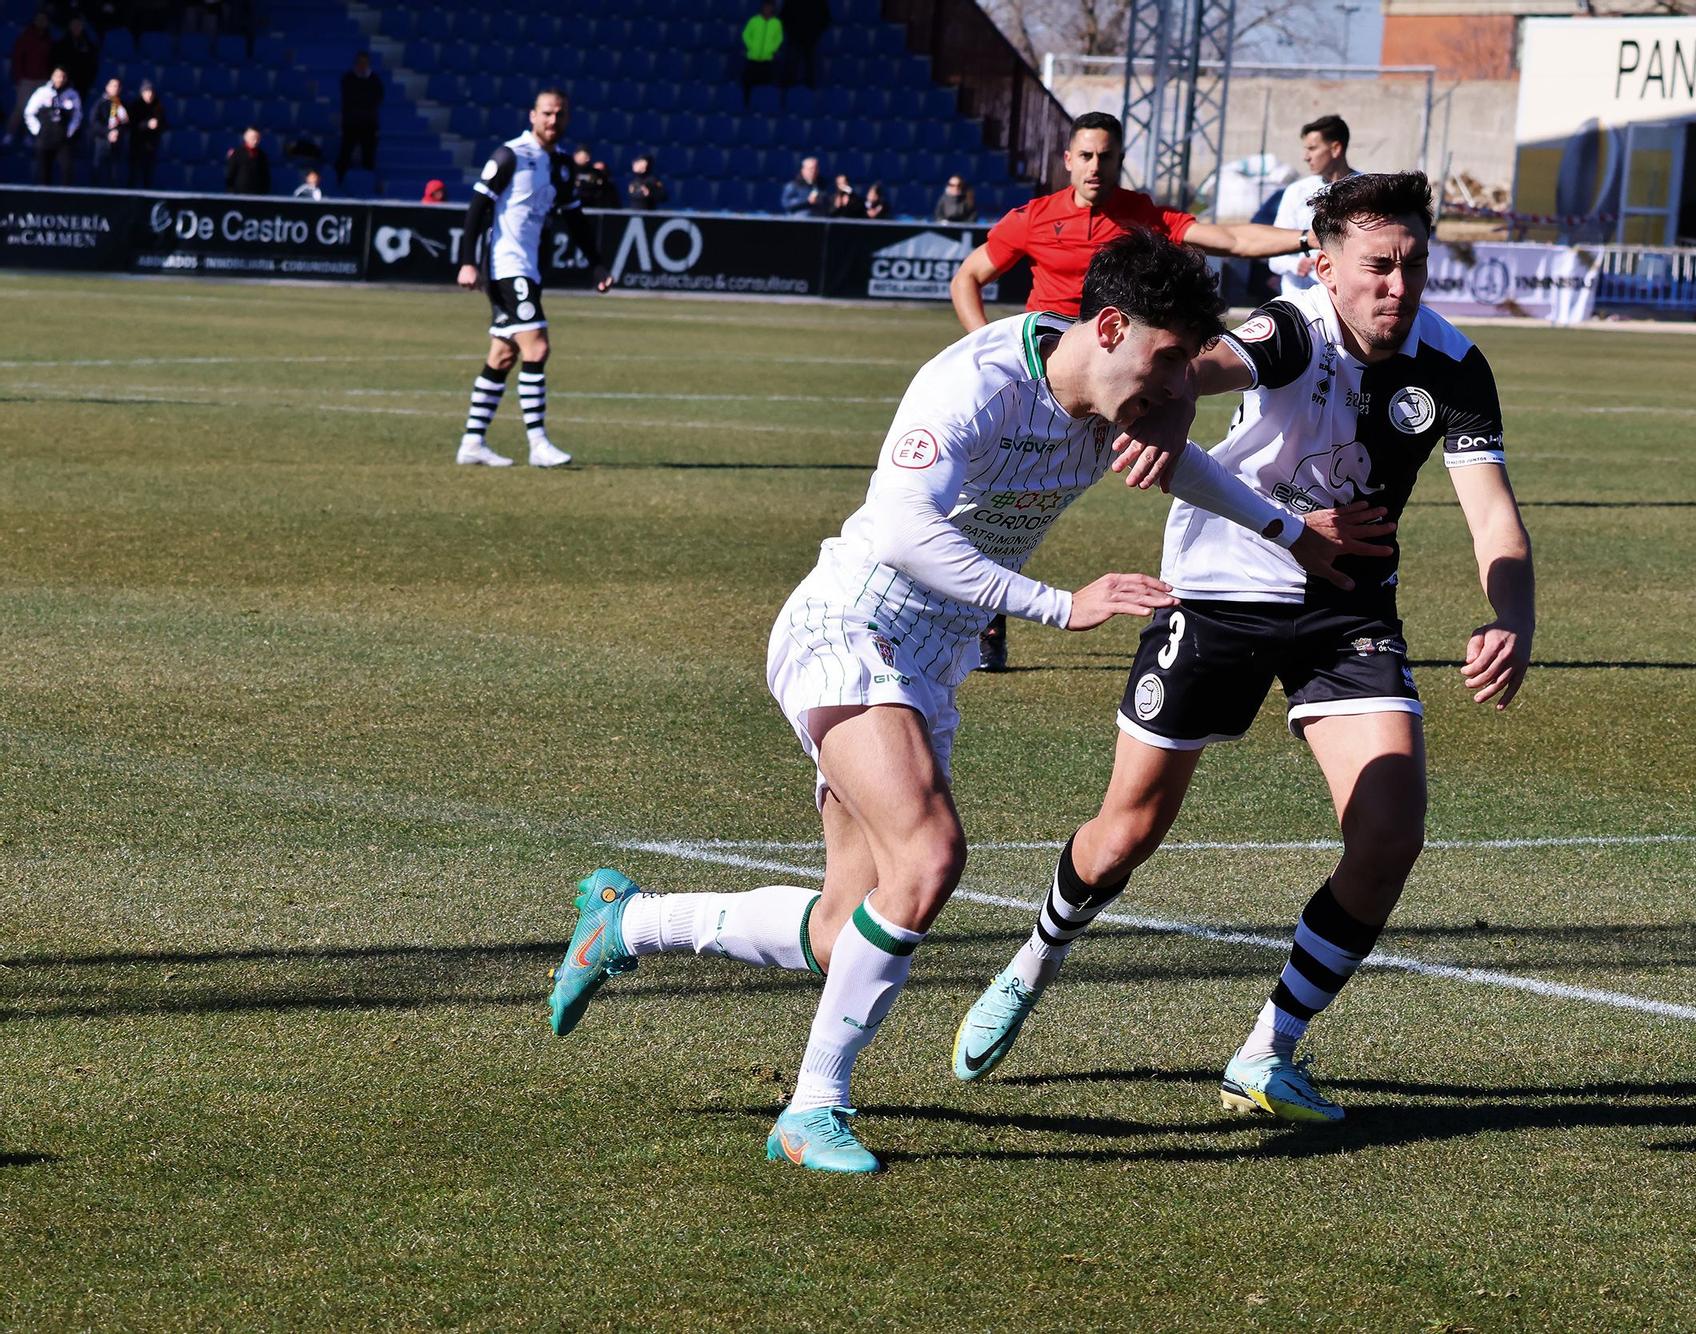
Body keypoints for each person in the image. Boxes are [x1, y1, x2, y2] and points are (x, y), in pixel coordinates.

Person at [541, 229, 1382, 1174]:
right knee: (932, 855)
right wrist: (1060, 605)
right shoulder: (978, 381)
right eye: (1168, 361)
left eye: (1190, 362)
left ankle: (628, 921)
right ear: (1108, 327)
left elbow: (1178, 462)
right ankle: (811, 1110)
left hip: (930, 660)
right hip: (851, 625)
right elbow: (902, 529)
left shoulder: (1122, 391)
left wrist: (1288, 534)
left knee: (844, 925)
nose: (1180, 387)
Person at [949, 172, 1535, 1126]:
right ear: (1325, 267)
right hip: (1222, 591)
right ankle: (1034, 959)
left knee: (1390, 832)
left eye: (1414, 265)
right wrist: (1170, 404)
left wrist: (1513, 616)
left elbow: (1494, 519)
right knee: (1124, 836)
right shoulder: (1291, 327)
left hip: (1347, 609)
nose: (1399, 285)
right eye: (1378, 266)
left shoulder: (1454, 366)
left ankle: (1269, 1051)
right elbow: (1203, 365)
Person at [949, 110, 1322, 673]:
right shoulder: (1033, 219)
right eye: (1087, 155)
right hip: (1050, 384)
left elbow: (1231, 239)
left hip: (1124, 379)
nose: (1097, 166)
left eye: (1108, 156)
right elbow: (967, 277)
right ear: (1069, 159)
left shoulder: (1142, 216)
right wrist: (990, 354)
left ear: (1120, 162)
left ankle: (1235, 588)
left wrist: (1307, 237)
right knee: (997, 502)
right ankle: (986, 623)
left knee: (1179, 465)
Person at [455, 88, 613, 469]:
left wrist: (596, 264)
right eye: (546, 114)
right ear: (532, 115)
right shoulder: (510, 155)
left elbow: (573, 216)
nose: (552, 121)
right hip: (507, 265)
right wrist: (467, 261)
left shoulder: (560, 163)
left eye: (559, 114)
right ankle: (538, 443)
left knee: (504, 353)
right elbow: (478, 208)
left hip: (528, 268)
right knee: (537, 348)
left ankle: (472, 443)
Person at [1269, 114, 1362, 296]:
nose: (1306, 157)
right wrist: (1296, 264)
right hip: (1299, 303)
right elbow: (1274, 253)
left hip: (1347, 299)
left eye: (1312, 148)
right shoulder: (1296, 191)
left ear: (1335, 149)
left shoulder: (1365, 188)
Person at [24, 67, 82, 186]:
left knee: (67, 170)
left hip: (62, 137)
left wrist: (70, 131)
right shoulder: (42, 92)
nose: (60, 79)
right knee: (44, 172)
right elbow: (29, 112)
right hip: (45, 136)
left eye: (62, 76)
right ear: (52, 76)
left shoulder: (72, 94)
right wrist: (37, 130)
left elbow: (78, 115)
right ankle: (43, 201)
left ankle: (66, 201)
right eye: (57, 76)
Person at [7, 11, 54, 147]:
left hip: (43, 81)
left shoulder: (49, 40)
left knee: (38, 110)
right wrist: (19, 78)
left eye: (44, 19)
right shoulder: (25, 37)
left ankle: (30, 136)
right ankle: (10, 134)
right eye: (39, 19)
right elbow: (17, 59)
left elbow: (51, 61)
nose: (41, 22)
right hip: (26, 79)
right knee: (21, 108)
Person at [336, 51, 382, 184]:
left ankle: (368, 183)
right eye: (360, 62)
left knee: (368, 155)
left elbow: (377, 99)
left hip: (369, 125)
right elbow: (348, 99)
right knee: (345, 153)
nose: (362, 65)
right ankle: (340, 181)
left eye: (365, 62)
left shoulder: (375, 80)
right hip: (351, 124)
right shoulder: (348, 79)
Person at [88, 74, 129, 185]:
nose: (115, 88)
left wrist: (117, 132)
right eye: (112, 86)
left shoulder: (121, 105)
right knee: (98, 170)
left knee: (114, 173)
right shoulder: (100, 103)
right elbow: (94, 123)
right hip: (101, 142)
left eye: (117, 86)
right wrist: (108, 132)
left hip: (117, 143)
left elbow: (126, 123)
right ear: (107, 87)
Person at [739, 0, 781, 108]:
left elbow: (779, 38)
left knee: (765, 84)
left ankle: (762, 105)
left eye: (769, 7)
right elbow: (746, 34)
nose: (767, 9)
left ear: (773, 8)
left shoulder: (776, 23)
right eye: (766, 7)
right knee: (748, 83)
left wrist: (771, 49)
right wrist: (751, 46)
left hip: (767, 59)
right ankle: (746, 105)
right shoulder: (754, 21)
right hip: (752, 58)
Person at [50, 17, 97, 111]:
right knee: (58, 109)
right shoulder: (61, 43)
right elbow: (55, 63)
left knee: (76, 110)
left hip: (81, 85)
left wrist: (87, 81)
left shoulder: (88, 45)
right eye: (74, 25)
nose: (76, 27)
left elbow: (92, 66)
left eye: (78, 25)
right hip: (62, 83)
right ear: (70, 26)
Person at [127, 77, 166, 187]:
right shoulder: (135, 106)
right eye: (147, 91)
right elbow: (131, 125)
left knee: (148, 176)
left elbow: (164, 124)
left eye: (151, 91)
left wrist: (157, 125)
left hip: (151, 146)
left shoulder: (158, 106)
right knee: (133, 174)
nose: (149, 94)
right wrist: (146, 124)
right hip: (136, 146)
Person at [781, 0, 827, 88]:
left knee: (810, 66)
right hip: (794, 40)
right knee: (791, 65)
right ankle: (789, 90)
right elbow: (784, 16)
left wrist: (815, 33)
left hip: (810, 40)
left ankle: (809, 91)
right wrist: (791, 32)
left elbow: (825, 18)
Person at [224, 125, 269, 194]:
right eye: (252, 138)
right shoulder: (236, 153)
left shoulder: (262, 156)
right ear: (246, 137)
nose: (255, 141)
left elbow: (265, 177)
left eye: (257, 138)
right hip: (238, 194)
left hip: (257, 195)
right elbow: (230, 176)